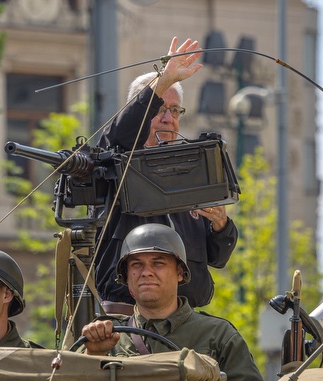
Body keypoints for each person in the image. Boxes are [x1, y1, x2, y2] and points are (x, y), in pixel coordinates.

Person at [94, 37, 238, 313]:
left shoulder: (193, 173)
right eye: (158, 109)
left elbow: (217, 258)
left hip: (186, 321)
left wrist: (221, 225)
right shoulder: (116, 166)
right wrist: (162, 81)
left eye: (174, 110)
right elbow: (119, 136)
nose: (167, 118)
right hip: (129, 320)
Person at [81, 223, 267, 381]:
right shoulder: (107, 335)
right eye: (136, 264)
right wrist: (93, 355)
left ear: (180, 273)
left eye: (158, 263)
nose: (146, 272)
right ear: (126, 276)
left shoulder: (217, 334)